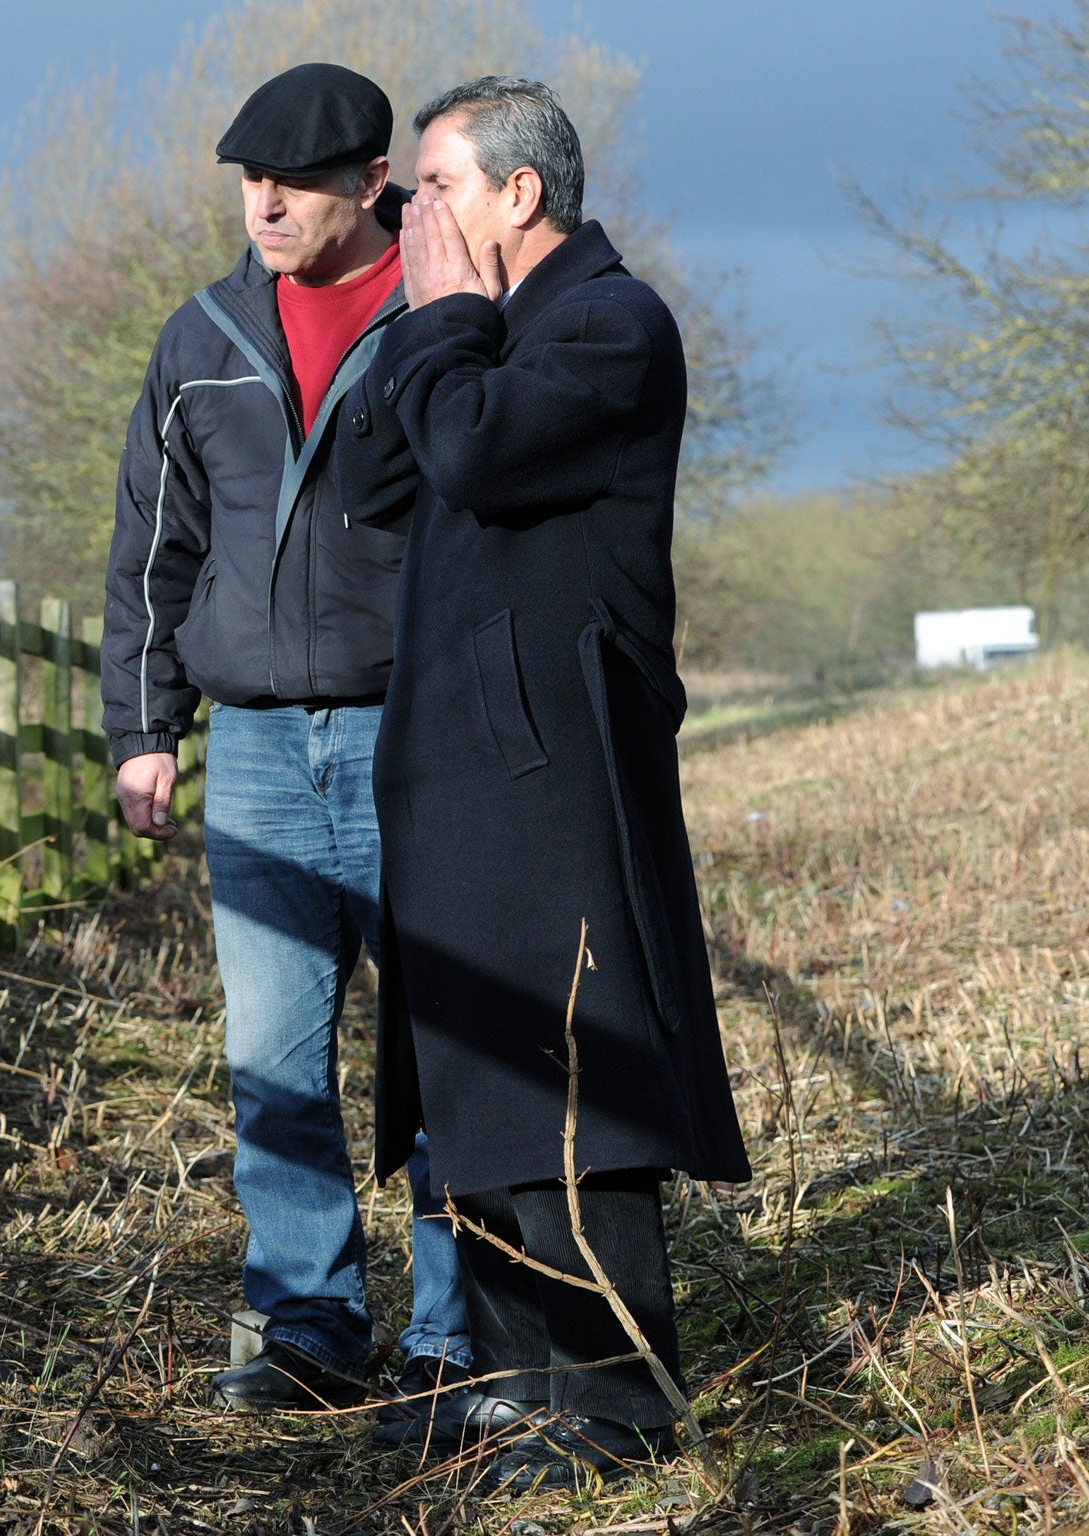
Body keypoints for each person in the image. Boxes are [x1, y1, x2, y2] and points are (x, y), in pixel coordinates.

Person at [335, 76, 752, 1485]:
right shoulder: (493, 329)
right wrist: (428, 314)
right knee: (481, 1071)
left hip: (552, 757)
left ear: (521, 195)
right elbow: (377, 483)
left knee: (577, 1063)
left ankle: (623, 1413)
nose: (416, 219)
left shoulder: (604, 324)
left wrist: (446, 320)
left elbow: (474, 448)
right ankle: (524, 1385)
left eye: (438, 188)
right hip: (464, 762)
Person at [101, 61, 471, 1415]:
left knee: (437, 1047)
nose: (264, 202)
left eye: (296, 182)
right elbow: (153, 544)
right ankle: (310, 1325)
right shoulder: (199, 339)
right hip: (252, 750)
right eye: (248, 178)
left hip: (406, 739)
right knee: (272, 1056)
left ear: (370, 183)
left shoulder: (445, 321)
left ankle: (452, 1331)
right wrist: (145, 727)